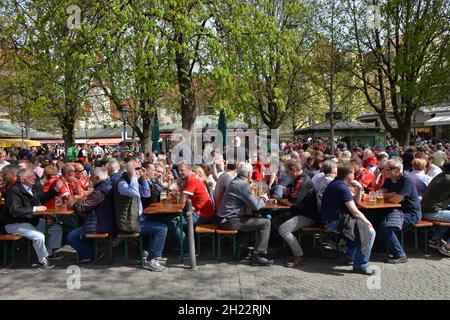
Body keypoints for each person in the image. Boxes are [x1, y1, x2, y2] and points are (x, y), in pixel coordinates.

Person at [320, 162, 376, 275]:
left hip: (333, 219)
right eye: (353, 173)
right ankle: (361, 266)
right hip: (333, 222)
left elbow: (356, 202)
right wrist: (367, 222)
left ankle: (350, 257)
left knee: (359, 230)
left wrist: (359, 188)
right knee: (369, 232)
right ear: (349, 174)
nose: (354, 175)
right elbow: (355, 211)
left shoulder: (338, 184)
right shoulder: (341, 187)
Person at [3, 168, 65, 269]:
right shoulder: (14, 190)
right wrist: (35, 208)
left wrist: (56, 189)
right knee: (39, 236)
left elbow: (42, 199)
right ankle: (42, 261)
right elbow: (14, 211)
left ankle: (49, 254)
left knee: (56, 228)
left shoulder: (33, 187)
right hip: (15, 223)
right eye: (31, 176)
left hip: (31, 221)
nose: (35, 178)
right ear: (23, 179)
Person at [115, 160, 168, 272]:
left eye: (140, 168)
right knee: (162, 229)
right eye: (137, 169)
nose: (140, 171)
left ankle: (152, 253)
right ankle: (150, 260)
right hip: (128, 222)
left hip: (138, 218)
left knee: (163, 221)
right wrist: (134, 176)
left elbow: (146, 194)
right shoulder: (122, 183)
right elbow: (134, 192)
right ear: (129, 170)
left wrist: (143, 178)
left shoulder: (135, 181)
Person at [216, 162, 273, 266]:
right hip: (230, 220)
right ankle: (258, 256)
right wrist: (264, 198)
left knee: (250, 218)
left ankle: (243, 250)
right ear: (249, 174)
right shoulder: (242, 185)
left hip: (223, 218)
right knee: (266, 223)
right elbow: (256, 206)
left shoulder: (235, 181)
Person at [275, 159, 319, 268]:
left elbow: (292, 201)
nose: (286, 173)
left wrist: (281, 199)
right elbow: (292, 197)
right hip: (298, 212)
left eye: (287, 171)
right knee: (275, 219)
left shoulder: (302, 181)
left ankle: (299, 255)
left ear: (294, 170)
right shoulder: (297, 178)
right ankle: (286, 248)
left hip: (307, 215)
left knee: (283, 229)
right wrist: (287, 194)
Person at [67, 168, 115, 262]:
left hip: (100, 224)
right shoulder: (107, 186)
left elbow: (82, 207)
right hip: (105, 221)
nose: (90, 181)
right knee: (79, 226)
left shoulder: (100, 191)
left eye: (91, 178)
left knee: (71, 236)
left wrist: (73, 203)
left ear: (97, 178)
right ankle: (88, 252)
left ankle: (91, 255)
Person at [380, 158, 422, 264]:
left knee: (387, 227)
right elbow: (380, 194)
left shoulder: (406, 180)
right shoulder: (389, 179)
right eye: (385, 168)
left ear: (397, 170)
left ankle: (400, 254)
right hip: (395, 211)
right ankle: (382, 247)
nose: (385, 171)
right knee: (376, 220)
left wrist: (390, 196)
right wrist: (394, 193)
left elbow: (396, 200)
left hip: (411, 213)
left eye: (388, 169)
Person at [170, 163, 215, 258]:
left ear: (189, 169)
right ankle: (184, 245)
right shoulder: (190, 178)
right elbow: (183, 194)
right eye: (179, 170)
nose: (180, 172)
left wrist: (176, 209)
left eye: (182, 170)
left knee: (174, 223)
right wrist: (179, 183)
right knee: (175, 220)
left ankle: (188, 251)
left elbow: (183, 199)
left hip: (203, 214)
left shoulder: (192, 179)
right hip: (200, 212)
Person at [421, 161, 450, 257]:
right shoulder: (448, 179)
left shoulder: (441, 176)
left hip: (426, 209)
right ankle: (447, 247)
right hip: (432, 212)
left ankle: (435, 239)